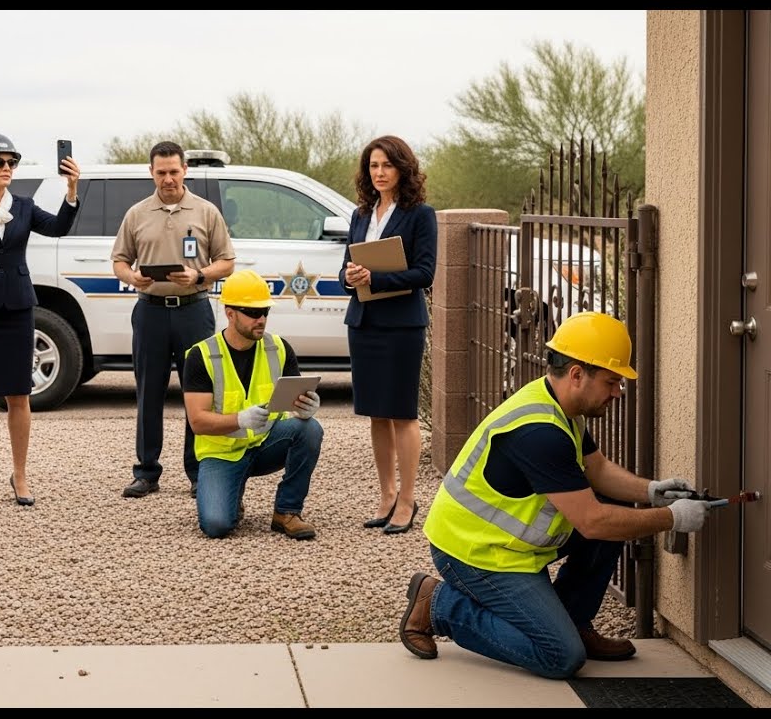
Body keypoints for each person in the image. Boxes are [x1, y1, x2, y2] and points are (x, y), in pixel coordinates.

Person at [398, 311, 710, 679]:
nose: (617, 392)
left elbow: (598, 471)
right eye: (612, 381)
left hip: (510, 546)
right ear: (577, 374)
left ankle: (573, 620)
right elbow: (592, 522)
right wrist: (672, 518)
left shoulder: (562, 406)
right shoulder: (539, 433)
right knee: (561, 656)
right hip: (475, 552)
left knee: (618, 503)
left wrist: (652, 491)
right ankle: (437, 604)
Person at [0, 133, 80, 508]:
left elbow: (58, 227)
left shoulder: (24, 206)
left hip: (19, 310)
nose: (7, 169)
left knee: (18, 395)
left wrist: (71, 191)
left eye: (12, 163)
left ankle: (19, 474)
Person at [110, 140, 236, 499]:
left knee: (198, 392)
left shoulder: (206, 211)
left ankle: (199, 472)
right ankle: (146, 471)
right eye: (161, 172)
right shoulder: (136, 214)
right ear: (151, 172)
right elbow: (119, 259)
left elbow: (227, 261)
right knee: (149, 390)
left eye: (174, 171)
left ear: (185, 171)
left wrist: (199, 276)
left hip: (193, 310)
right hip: (149, 311)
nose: (168, 178)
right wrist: (132, 277)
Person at [339, 135, 437, 534]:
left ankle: (409, 500)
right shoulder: (361, 214)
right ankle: (386, 495)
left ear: (402, 169)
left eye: (387, 166)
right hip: (363, 323)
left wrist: (375, 278)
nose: (379, 173)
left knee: (401, 413)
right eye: (373, 166)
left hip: (401, 325)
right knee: (376, 414)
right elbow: (348, 265)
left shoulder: (420, 214)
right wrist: (349, 277)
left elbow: (424, 273)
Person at [182, 269, 324, 540]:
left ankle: (287, 511)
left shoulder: (279, 348)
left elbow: (295, 399)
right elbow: (197, 422)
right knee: (217, 526)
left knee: (310, 429)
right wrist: (240, 420)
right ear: (230, 313)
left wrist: (306, 407)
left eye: (265, 312)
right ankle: (231, 496)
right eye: (252, 312)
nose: (261, 319)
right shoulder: (202, 356)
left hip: (264, 444)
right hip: (221, 454)